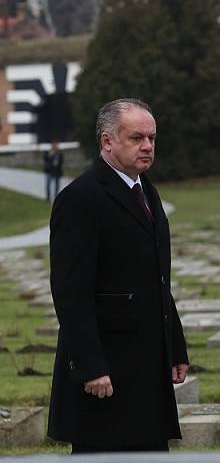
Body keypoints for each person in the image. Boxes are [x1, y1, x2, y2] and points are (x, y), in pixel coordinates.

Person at [47, 99, 189, 453]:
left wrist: (175, 346)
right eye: (137, 137)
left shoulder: (146, 192)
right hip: (106, 368)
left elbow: (156, 277)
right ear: (107, 142)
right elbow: (70, 291)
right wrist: (90, 366)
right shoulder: (80, 198)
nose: (148, 146)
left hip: (147, 366)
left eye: (152, 138)